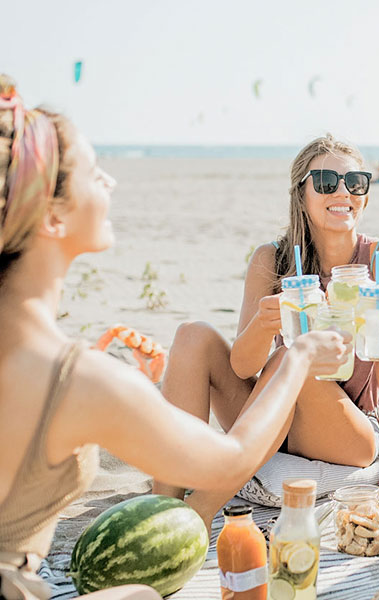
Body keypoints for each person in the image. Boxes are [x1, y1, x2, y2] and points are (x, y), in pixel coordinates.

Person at [0, 77, 348, 599]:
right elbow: (230, 460)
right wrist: (297, 354)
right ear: (51, 215)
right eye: (95, 175)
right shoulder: (76, 378)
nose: (111, 183)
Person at [153, 135, 379, 524]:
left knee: (291, 357)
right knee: (193, 335)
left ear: (365, 193)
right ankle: (162, 503)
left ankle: (200, 512)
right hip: (277, 414)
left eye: (355, 182)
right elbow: (242, 368)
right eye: (327, 182)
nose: (342, 191)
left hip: (352, 431)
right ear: (301, 194)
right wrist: (263, 323)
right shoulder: (272, 259)